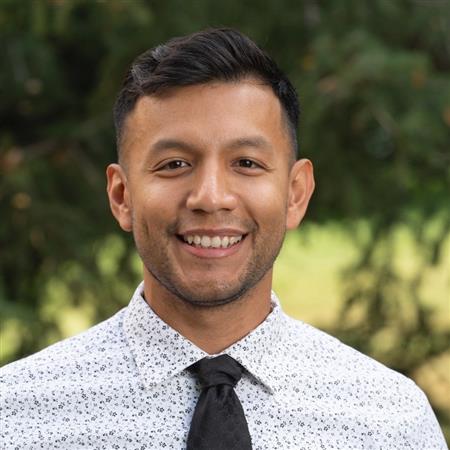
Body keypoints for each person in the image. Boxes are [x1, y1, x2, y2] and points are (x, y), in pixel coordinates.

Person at [0, 28, 447, 450]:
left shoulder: (390, 422)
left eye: (246, 163)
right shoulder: (17, 417)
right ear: (122, 196)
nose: (211, 197)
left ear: (295, 194)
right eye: (174, 164)